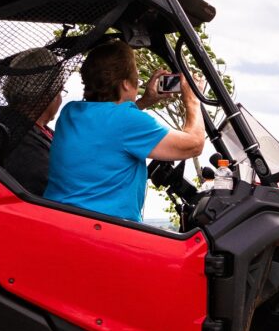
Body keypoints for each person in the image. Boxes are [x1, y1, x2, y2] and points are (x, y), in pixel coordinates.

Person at [42, 39, 205, 222]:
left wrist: (145, 101)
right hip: (104, 229)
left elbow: (108, 127)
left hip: (59, 220)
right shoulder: (126, 121)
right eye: (136, 76)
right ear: (126, 83)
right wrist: (193, 99)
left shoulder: (70, 113)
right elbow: (194, 144)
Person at [0, 48, 66, 195]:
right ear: (47, 93)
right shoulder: (18, 139)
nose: (60, 99)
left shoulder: (32, 131)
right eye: (60, 91)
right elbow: (54, 190)